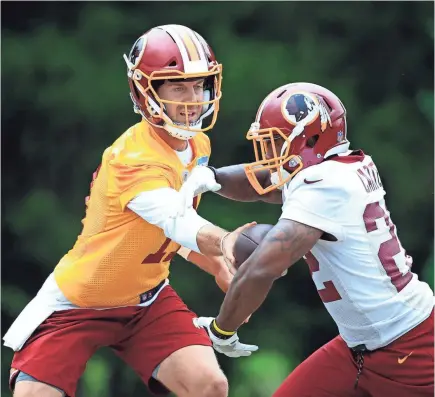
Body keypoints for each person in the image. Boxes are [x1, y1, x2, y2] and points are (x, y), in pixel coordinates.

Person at [4, 24, 257, 397]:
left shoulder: (198, 143)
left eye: (199, 84)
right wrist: (226, 243)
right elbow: (176, 218)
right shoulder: (133, 157)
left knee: (209, 385)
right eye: (177, 86)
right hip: (81, 300)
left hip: (147, 299)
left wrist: (214, 261)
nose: (193, 98)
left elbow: (161, 229)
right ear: (147, 91)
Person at [179, 82, 435, 397]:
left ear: (311, 138)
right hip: (357, 346)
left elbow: (261, 269)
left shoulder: (323, 185)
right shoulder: (343, 166)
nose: (270, 153)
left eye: (276, 142)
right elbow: (267, 181)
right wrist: (213, 178)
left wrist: (222, 329)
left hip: (409, 350)